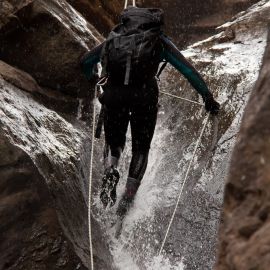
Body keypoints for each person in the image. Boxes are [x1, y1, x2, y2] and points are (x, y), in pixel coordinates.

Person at [81, 6, 220, 218]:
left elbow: (85, 62)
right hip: (144, 98)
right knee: (140, 149)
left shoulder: (115, 37)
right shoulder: (158, 40)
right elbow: (188, 70)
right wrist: (208, 98)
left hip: (114, 95)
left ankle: (111, 168)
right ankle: (127, 197)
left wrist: (94, 79)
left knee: (115, 140)